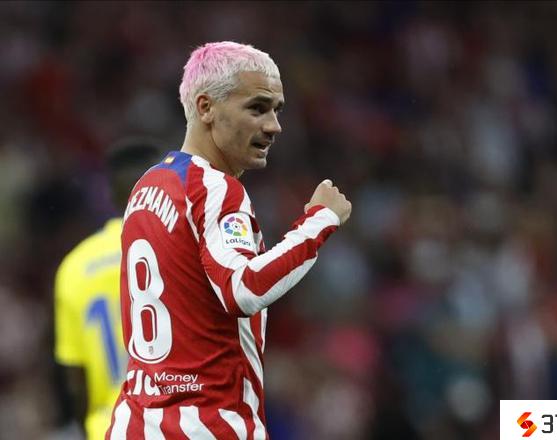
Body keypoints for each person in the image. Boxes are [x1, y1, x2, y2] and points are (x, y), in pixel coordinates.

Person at [106, 41, 352, 439]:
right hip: (208, 423)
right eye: (257, 108)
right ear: (205, 107)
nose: (274, 126)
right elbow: (243, 288)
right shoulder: (214, 188)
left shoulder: (147, 186)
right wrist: (319, 220)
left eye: (277, 110)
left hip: (135, 423)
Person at [54, 140, 162, 439]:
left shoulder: (74, 267)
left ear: (111, 195)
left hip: (108, 428)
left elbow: (75, 382)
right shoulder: (176, 246)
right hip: (170, 422)